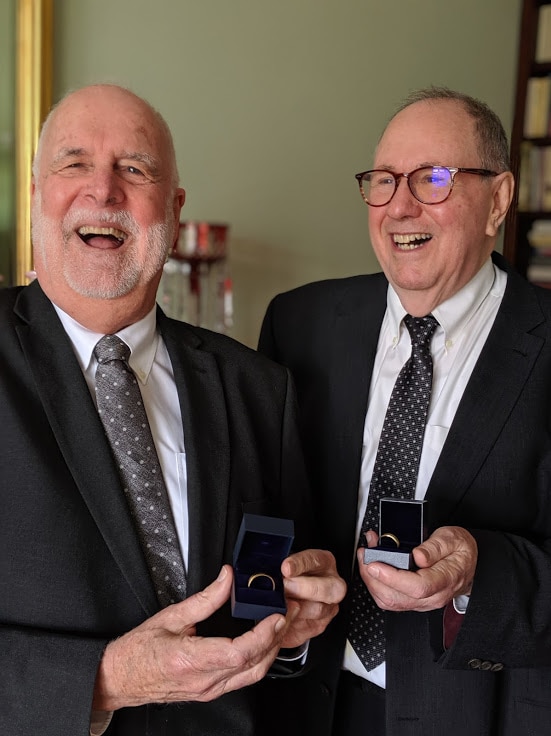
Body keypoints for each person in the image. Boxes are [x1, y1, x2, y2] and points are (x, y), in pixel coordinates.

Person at [0, 83, 346, 736]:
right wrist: (104, 681)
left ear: (174, 206)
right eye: (74, 163)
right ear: (35, 194)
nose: (103, 191)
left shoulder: (258, 389)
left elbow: (277, 626)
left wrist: (294, 629)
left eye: (135, 168)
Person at [258, 86, 551, 736]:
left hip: (481, 711)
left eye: (434, 179)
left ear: (497, 200)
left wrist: (479, 567)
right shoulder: (299, 323)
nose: (399, 206)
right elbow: (268, 511)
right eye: (384, 180)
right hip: (311, 701)